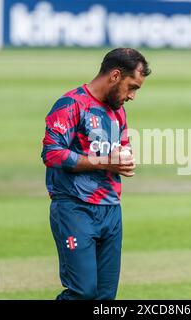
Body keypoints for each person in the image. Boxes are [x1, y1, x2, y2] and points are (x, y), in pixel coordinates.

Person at [41, 48, 151, 300]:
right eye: (132, 87)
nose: (132, 96)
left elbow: (121, 148)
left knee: (105, 297)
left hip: (111, 210)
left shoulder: (118, 110)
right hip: (75, 208)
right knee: (82, 293)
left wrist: (124, 160)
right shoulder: (71, 104)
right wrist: (104, 162)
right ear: (115, 76)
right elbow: (52, 153)